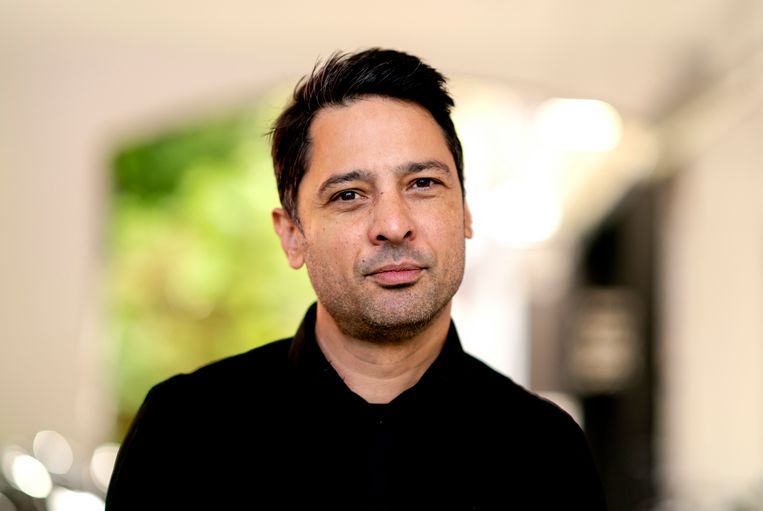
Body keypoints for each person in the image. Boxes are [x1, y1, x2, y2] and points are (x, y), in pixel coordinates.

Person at [106, 48, 607, 510]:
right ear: (292, 236)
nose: (393, 224)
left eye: (423, 184)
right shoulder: (182, 432)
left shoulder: (548, 452)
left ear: (466, 214)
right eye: (349, 195)